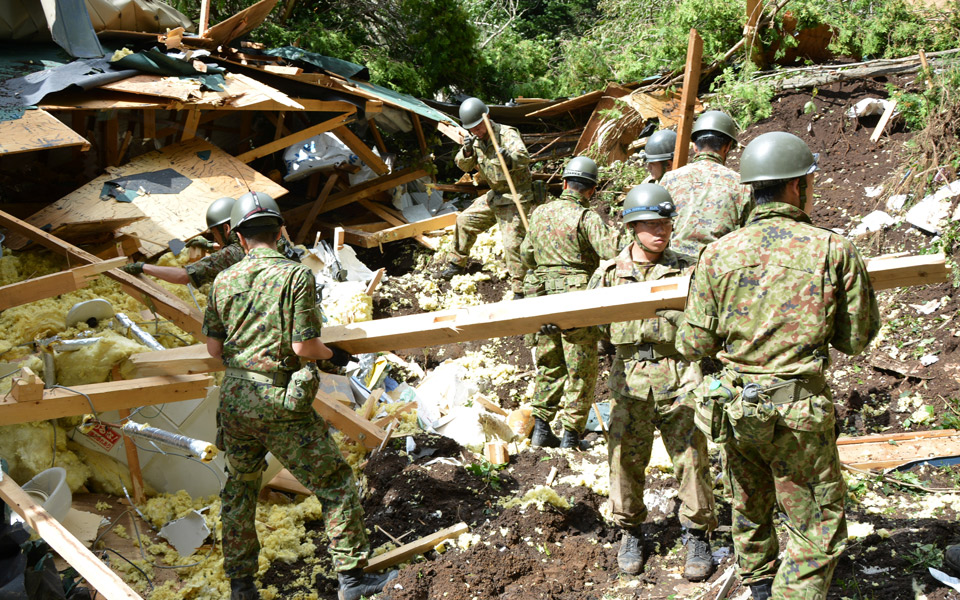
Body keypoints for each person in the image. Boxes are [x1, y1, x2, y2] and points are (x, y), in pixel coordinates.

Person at [676, 132, 880, 600]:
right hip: (797, 412)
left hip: (736, 409)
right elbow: (856, 339)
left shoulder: (716, 254)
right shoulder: (833, 249)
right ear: (796, 186)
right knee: (817, 528)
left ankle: (762, 587)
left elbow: (694, 342)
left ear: (752, 188)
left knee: (749, 505)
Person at [202, 192, 397, 600]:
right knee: (334, 482)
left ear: (238, 238)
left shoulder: (223, 279)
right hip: (278, 402)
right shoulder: (295, 276)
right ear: (278, 231)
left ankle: (241, 586)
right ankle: (352, 579)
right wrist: (335, 355)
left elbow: (213, 350)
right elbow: (305, 348)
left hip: (235, 401)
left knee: (239, 488)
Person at [587, 184, 716, 580]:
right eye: (650, 224)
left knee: (692, 459)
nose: (660, 231)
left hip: (680, 378)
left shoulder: (690, 269)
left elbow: (706, 323)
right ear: (631, 227)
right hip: (630, 383)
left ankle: (697, 533)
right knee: (624, 460)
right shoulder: (608, 275)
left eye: (665, 223)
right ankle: (630, 531)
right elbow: (590, 326)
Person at [520, 156, 621, 449]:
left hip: (541, 297)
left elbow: (527, 254)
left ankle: (540, 430)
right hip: (576, 298)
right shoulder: (586, 217)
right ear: (591, 190)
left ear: (564, 183)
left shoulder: (539, 213)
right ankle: (571, 436)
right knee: (582, 368)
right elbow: (610, 250)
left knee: (550, 364)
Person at [440, 97, 538, 297]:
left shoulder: (506, 134)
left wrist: (509, 159)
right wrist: (467, 150)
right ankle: (457, 262)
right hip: (495, 195)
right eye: (472, 129)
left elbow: (524, 156)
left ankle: (520, 289)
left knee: (512, 244)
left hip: (515, 195)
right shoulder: (475, 142)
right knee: (464, 220)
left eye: (478, 127)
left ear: (487, 118)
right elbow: (464, 165)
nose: (476, 132)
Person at [121, 195, 301, 286]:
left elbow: (184, 276)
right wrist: (210, 245)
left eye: (215, 234)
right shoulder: (271, 238)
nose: (215, 239)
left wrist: (143, 267)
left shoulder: (231, 254)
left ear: (226, 229)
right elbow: (237, 250)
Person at [659, 110, 753, 257]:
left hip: (677, 269)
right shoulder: (741, 185)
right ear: (727, 147)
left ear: (695, 147)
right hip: (718, 270)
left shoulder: (669, 180)